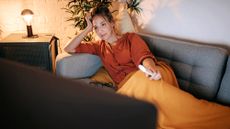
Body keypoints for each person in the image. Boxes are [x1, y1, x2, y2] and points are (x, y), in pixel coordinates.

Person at [64, 5, 230, 129]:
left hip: (149, 75)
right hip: (129, 87)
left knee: (157, 91)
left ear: (112, 23)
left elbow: (143, 57)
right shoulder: (98, 46)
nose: (100, 31)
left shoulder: (130, 38)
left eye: (103, 24)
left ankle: (221, 117)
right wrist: (87, 29)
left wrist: (151, 69)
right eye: (96, 27)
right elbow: (69, 48)